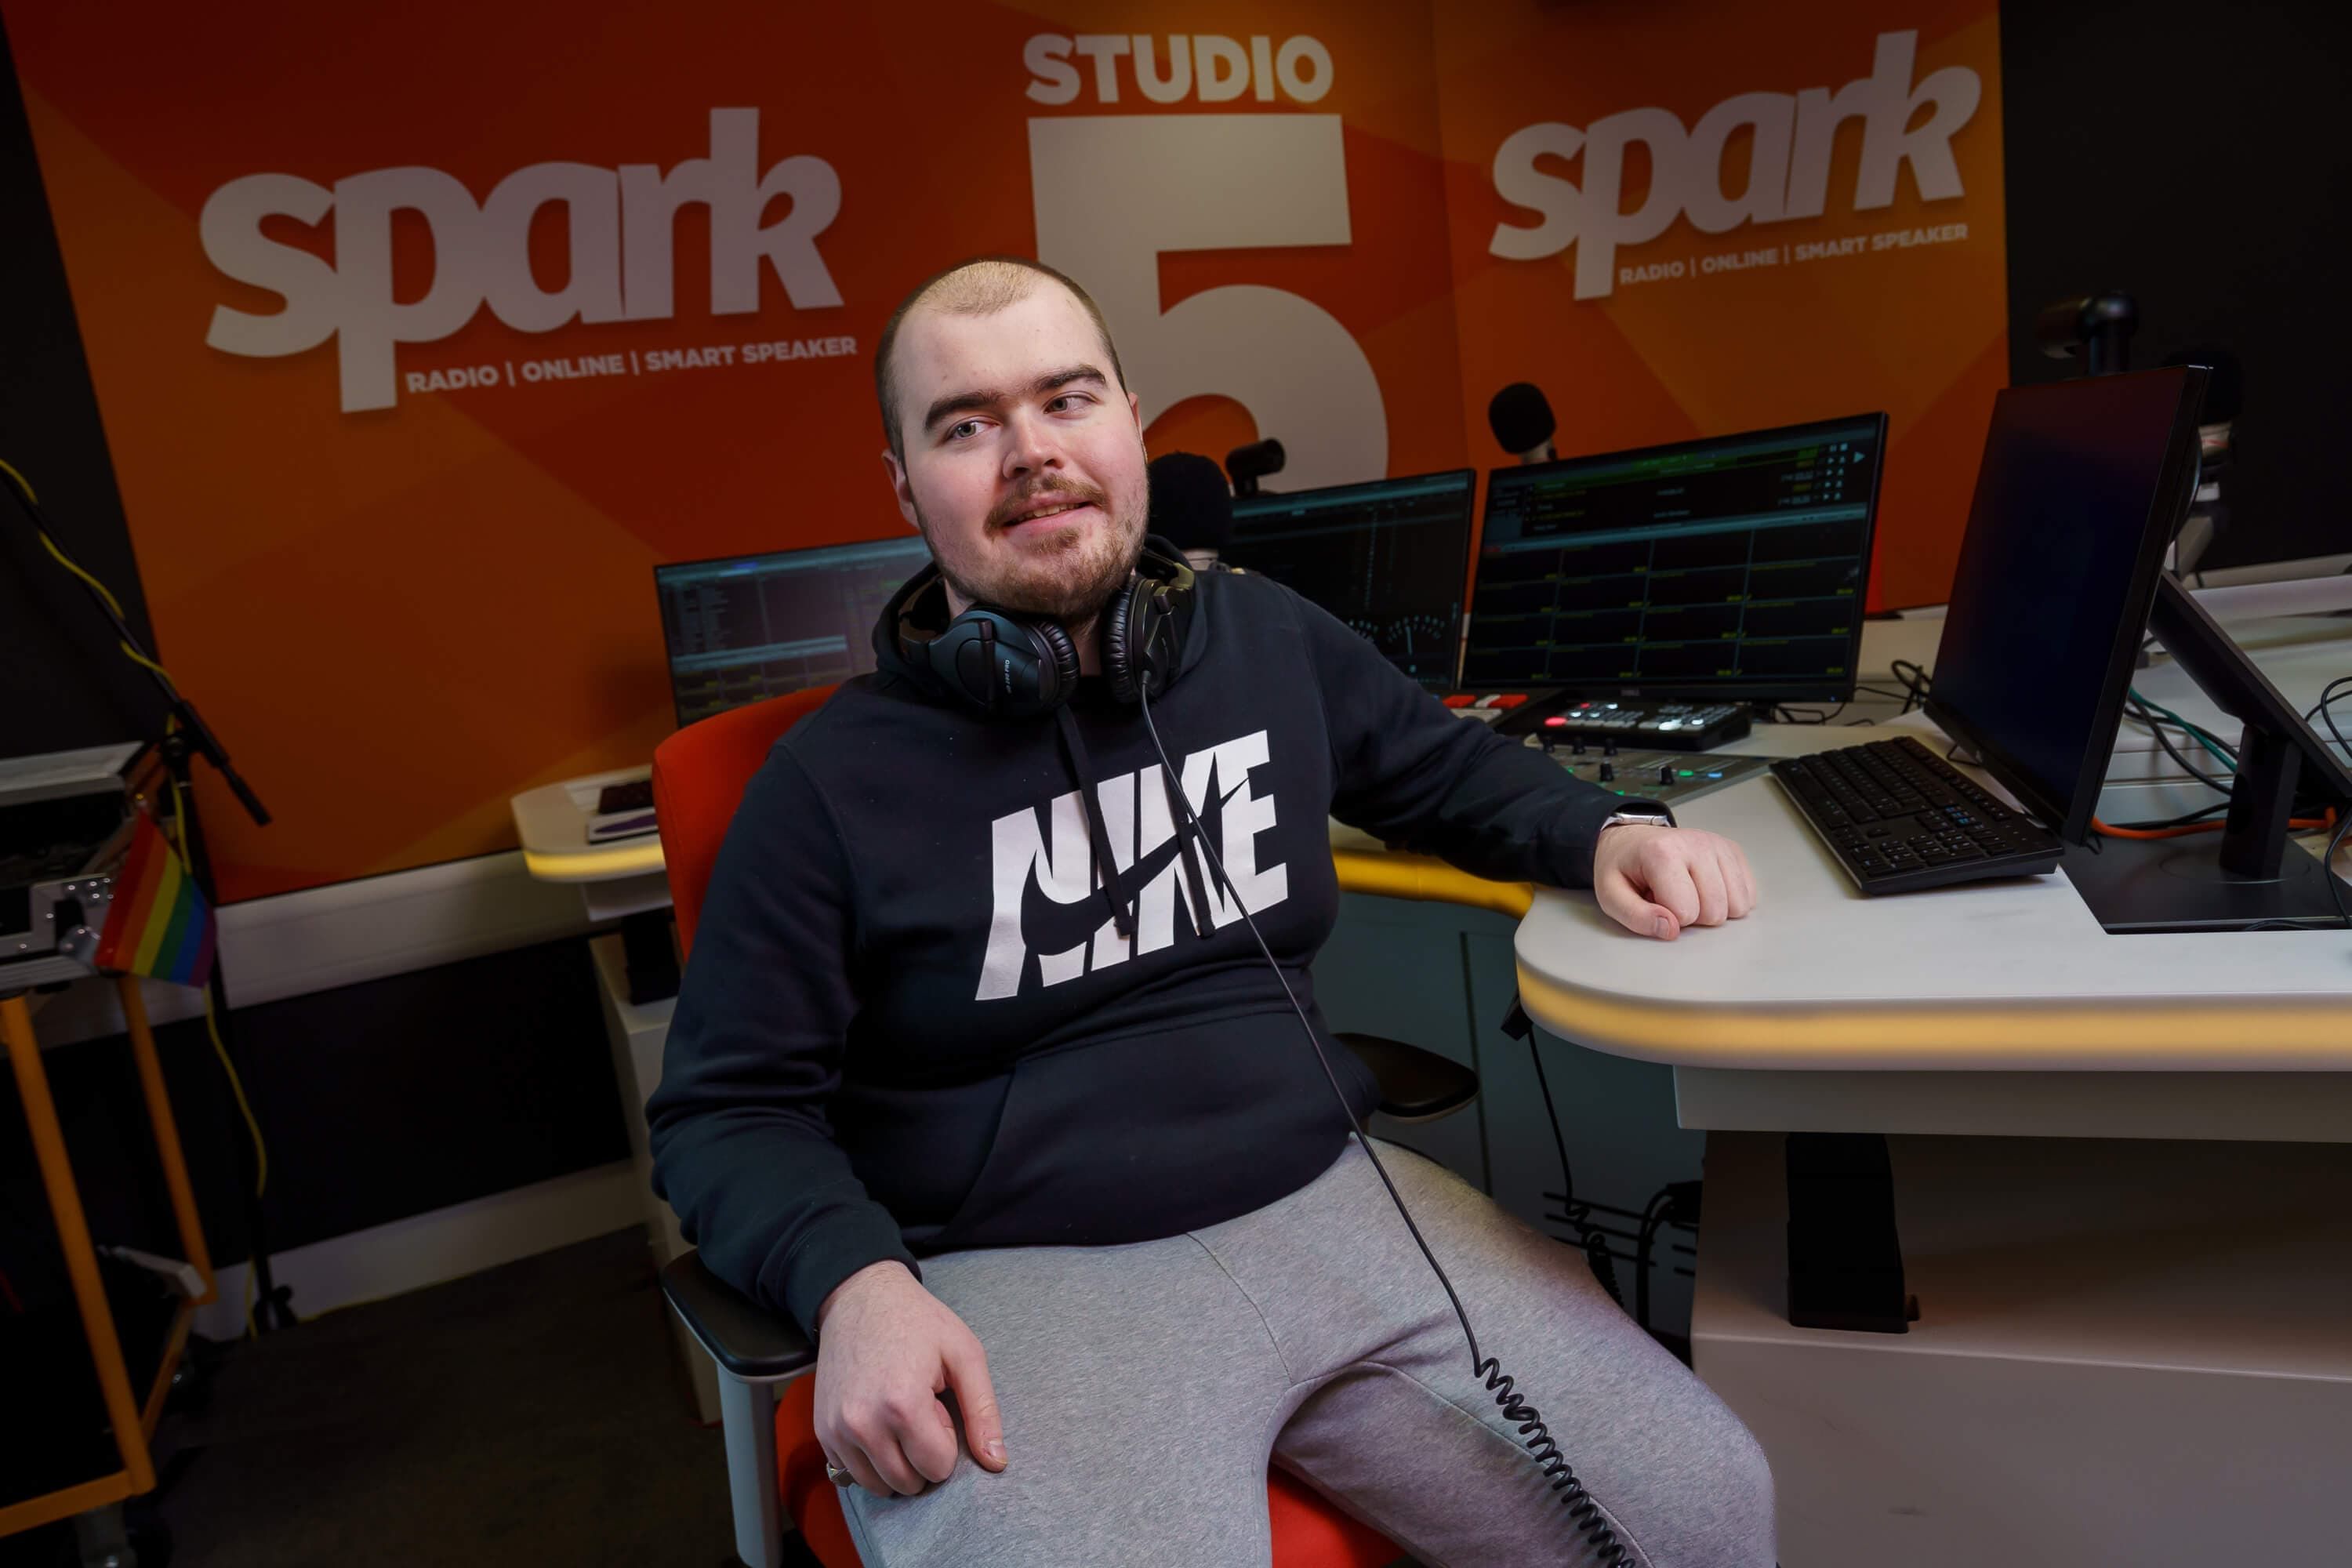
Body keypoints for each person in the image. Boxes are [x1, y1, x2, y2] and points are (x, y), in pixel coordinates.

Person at [648, 256, 1774, 1566]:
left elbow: (1446, 770)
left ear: (1132, 420)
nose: (1031, 452)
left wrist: (1604, 830)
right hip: (1024, 1281)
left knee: (1707, 1505)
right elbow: (725, 1109)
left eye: (1067, 400)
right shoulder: (829, 787)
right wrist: (854, 1284)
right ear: (904, 486)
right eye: (966, 425)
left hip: (1333, 1203)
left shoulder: (1263, 638)